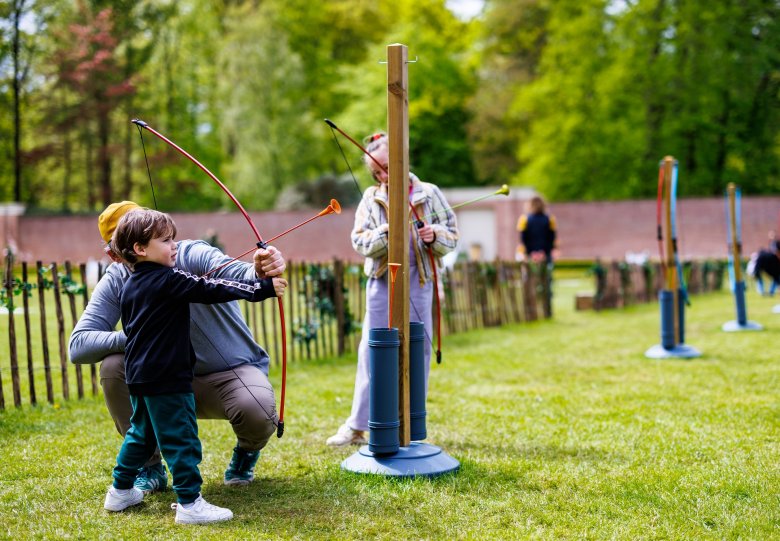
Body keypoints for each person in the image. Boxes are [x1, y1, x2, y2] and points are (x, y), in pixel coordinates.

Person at [69, 201, 286, 494]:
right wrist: (137, 336)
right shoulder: (118, 279)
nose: (167, 244)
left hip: (227, 374)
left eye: (157, 233)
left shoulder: (188, 254)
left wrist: (259, 271)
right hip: (164, 380)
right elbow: (78, 345)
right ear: (115, 253)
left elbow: (234, 273)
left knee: (256, 410)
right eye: (130, 239)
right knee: (113, 366)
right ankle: (149, 468)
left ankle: (246, 453)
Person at [326, 132, 459, 446]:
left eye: (387, 168)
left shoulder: (429, 193)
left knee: (417, 349)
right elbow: (359, 241)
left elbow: (452, 234)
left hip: (419, 280)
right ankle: (359, 424)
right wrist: (389, 231)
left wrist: (434, 235)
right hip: (383, 282)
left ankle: (412, 423)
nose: (383, 176)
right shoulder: (370, 198)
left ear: (402, 161)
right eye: (376, 173)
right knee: (372, 350)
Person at [516, 195, 559, 264]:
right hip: (545, 254)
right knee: (546, 273)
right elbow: (552, 238)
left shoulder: (524, 219)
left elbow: (523, 239)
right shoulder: (550, 219)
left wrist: (530, 252)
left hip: (529, 254)